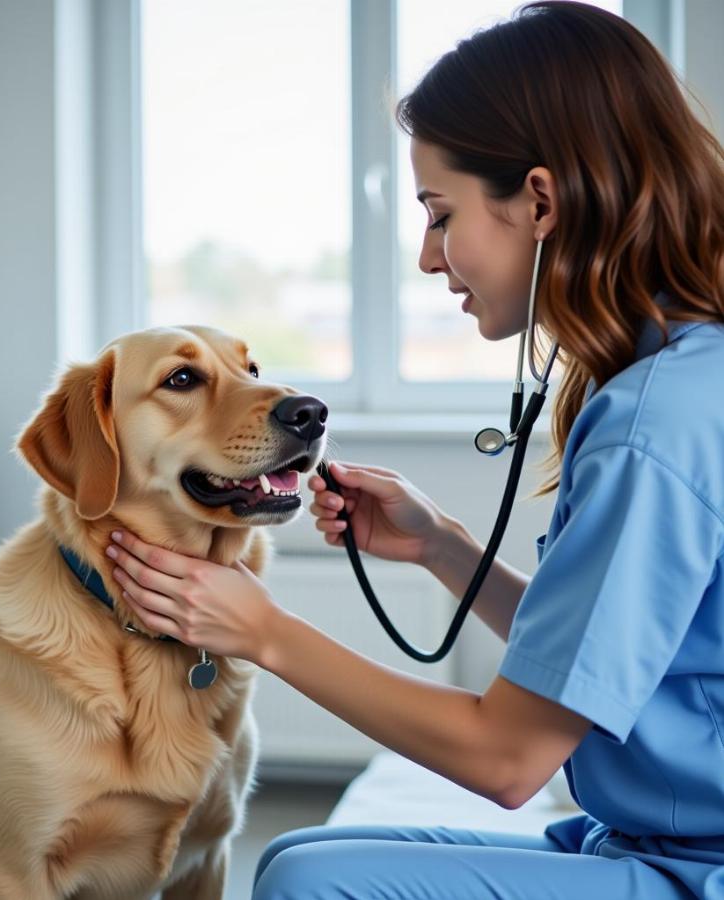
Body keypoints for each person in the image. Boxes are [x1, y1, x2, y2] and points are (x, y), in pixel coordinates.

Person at [103, 1, 724, 896]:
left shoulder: (654, 423)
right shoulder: (673, 376)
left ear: (540, 201)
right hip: (653, 840)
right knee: (291, 856)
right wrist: (444, 548)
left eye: (440, 213)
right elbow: (607, 660)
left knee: (305, 886)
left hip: (697, 868)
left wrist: (264, 633)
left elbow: (510, 759)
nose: (430, 258)